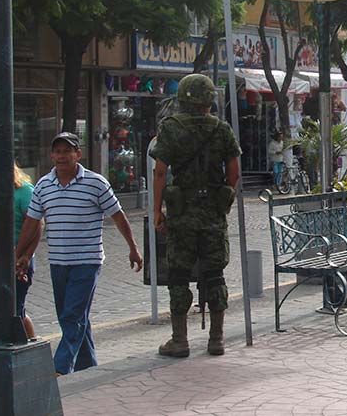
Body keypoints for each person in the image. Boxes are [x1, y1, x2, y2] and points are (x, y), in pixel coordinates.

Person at [15, 132, 143, 375]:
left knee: (72, 315)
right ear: (52, 155)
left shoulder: (96, 183)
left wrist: (133, 248)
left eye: (67, 151)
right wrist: (19, 255)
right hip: (58, 262)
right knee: (72, 315)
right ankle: (88, 366)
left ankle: (61, 368)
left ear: (78, 154)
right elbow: (31, 222)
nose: (62, 156)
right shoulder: (43, 185)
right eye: (58, 151)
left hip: (87, 261)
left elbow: (118, 216)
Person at [150, 74, 241, 357]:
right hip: (212, 214)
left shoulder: (170, 128)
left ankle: (180, 340)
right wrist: (223, 198)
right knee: (215, 274)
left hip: (181, 215)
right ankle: (216, 339)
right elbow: (234, 172)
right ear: (209, 99)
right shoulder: (222, 128)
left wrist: (156, 211)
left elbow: (161, 171)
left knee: (178, 275)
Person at [0, 148, 37, 339]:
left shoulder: (23, 190)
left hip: (13, 261)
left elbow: (36, 225)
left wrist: (25, 255)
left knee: (14, 311)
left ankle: (32, 348)